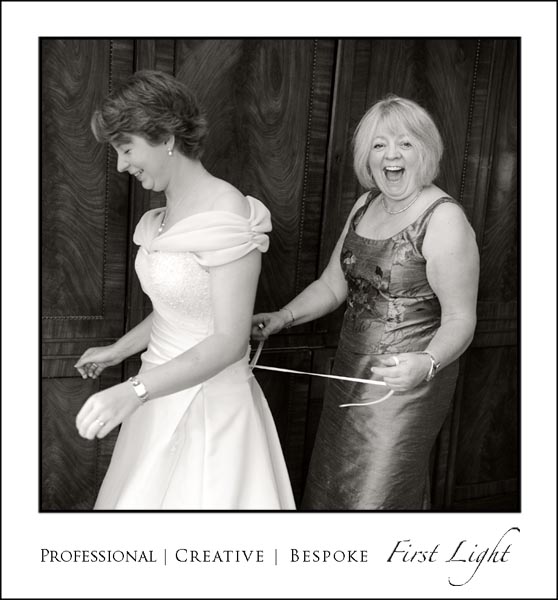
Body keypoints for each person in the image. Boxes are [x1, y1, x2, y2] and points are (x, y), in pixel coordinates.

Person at [74, 70, 295, 510]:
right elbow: (179, 308)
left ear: (166, 138)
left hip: (208, 409)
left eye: (126, 149)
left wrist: (134, 390)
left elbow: (229, 341)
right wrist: (119, 351)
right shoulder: (165, 213)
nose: (121, 165)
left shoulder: (228, 212)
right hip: (157, 394)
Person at [252, 95, 479, 510]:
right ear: (367, 157)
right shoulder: (365, 204)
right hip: (350, 370)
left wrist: (426, 363)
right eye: (379, 145)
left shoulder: (444, 218)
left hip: (407, 381)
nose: (391, 155)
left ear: (425, 151)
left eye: (405, 143)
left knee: (378, 496)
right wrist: (283, 317)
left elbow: (461, 318)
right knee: (334, 485)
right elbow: (332, 285)